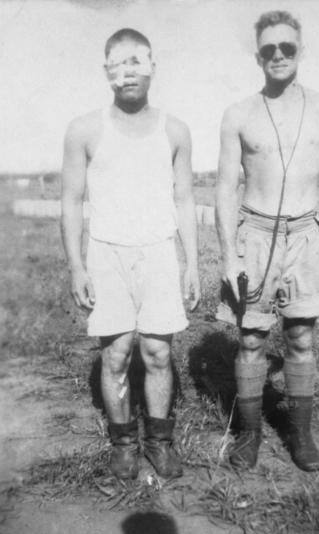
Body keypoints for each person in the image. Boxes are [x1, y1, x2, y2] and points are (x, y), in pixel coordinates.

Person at [216, 10, 319, 472]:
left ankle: (300, 434)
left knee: (300, 335)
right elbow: (225, 186)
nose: (279, 56)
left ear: (300, 51)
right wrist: (229, 255)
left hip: (306, 236)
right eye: (269, 49)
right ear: (258, 56)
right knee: (251, 338)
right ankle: (249, 435)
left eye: (287, 47)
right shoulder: (238, 114)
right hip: (255, 235)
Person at [61, 28, 200, 481]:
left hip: (158, 252)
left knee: (158, 351)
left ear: (153, 67)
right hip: (106, 254)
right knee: (117, 353)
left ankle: (160, 441)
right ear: (106, 72)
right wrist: (77, 264)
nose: (128, 73)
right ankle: (124, 442)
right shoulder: (84, 129)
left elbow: (183, 200)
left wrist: (192, 263)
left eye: (137, 62)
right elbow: (70, 201)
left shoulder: (174, 130)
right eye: (118, 65)